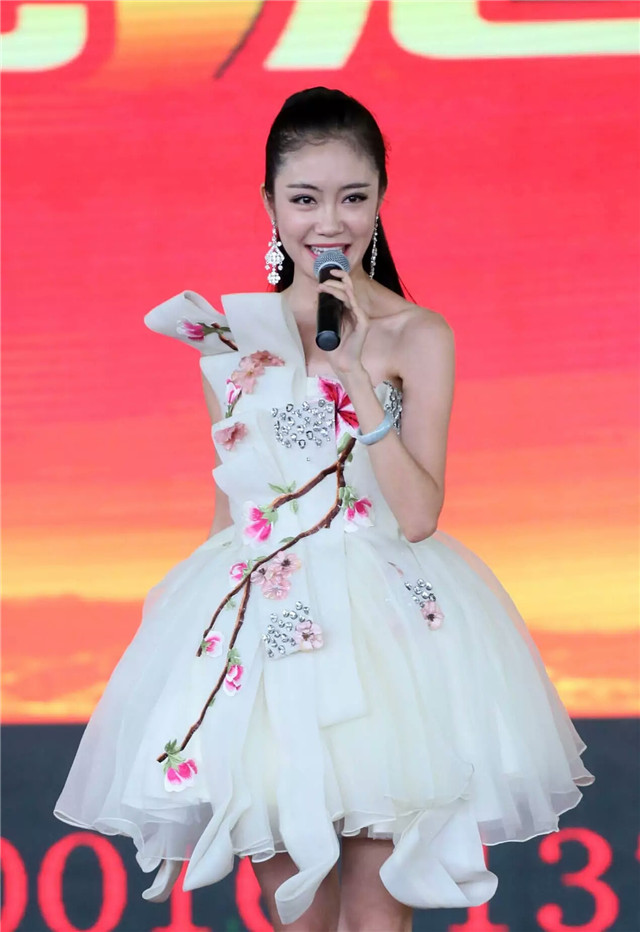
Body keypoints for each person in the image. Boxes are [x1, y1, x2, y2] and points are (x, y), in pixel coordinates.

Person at [54, 87, 594, 932]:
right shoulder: (235, 341)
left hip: (389, 636)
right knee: (297, 916)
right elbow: (233, 507)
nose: (329, 223)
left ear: (380, 201)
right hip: (271, 635)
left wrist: (353, 375)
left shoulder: (418, 335)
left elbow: (418, 514)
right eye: (305, 200)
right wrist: (189, 637)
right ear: (270, 204)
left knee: (380, 916)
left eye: (352, 198)